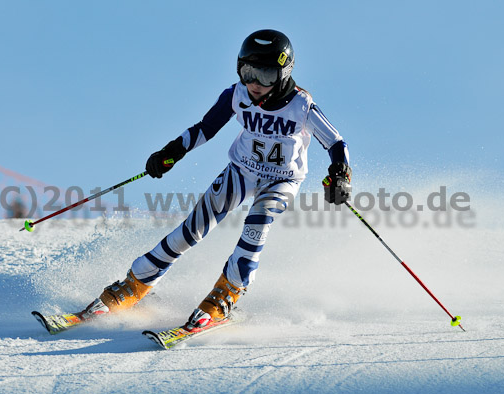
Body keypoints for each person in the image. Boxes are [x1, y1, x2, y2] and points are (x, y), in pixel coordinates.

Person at [82, 29, 352, 331]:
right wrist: (172, 152)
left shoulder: (301, 105)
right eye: (248, 72)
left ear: (283, 72)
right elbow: (205, 128)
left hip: (281, 180)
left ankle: (228, 292)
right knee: (191, 229)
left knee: (257, 223)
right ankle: (136, 284)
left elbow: (336, 143)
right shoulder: (237, 94)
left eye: (264, 74)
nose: (254, 84)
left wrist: (340, 174)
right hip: (243, 170)